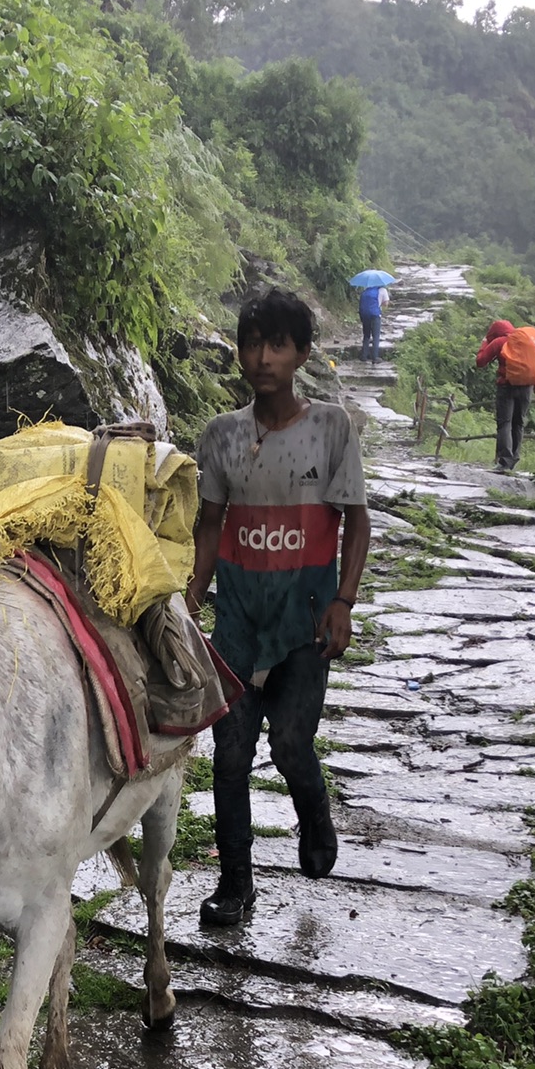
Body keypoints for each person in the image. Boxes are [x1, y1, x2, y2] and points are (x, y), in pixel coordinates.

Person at [187, 288, 371, 926]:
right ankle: (236, 882)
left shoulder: (330, 427)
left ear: (300, 354)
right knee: (231, 754)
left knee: (292, 745)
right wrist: (191, 596)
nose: (261, 357)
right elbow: (210, 524)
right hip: (238, 620)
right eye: (251, 343)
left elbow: (356, 520)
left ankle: (313, 813)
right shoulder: (221, 436)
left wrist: (344, 602)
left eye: (277, 344)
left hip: (305, 618)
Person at [476, 318, 535, 473]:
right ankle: (513, 460)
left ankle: (504, 462)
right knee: (518, 423)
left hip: (507, 386)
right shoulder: (526, 342)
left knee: (505, 423)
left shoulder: (500, 342)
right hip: (527, 387)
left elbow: (480, 361)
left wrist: (484, 343)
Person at [358, 280, 389, 363]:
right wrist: (380, 304)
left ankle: (364, 356)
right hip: (375, 315)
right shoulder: (382, 290)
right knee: (376, 336)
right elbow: (386, 303)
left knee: (366, 335)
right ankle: (375, 357)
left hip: (365, 315)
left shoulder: (365, 291)